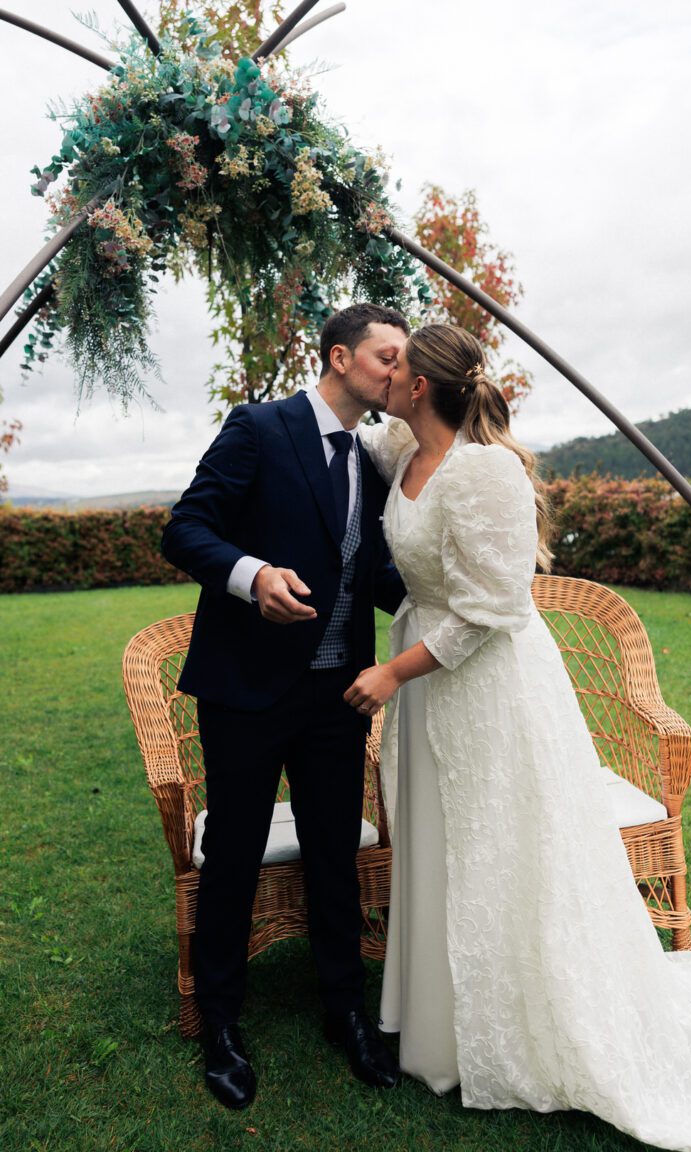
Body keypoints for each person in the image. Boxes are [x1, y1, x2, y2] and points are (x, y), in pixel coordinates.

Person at [345, 323, 691, 1151]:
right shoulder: (401, 454)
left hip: (487, 687)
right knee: (438, 841)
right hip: (428, 684)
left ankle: (529, 1025)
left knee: (501, 844)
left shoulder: (486, 470)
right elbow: (344, 434)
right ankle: (441, 1021)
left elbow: (496, 608)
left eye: (397, 367)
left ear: (423, 386)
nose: (385, 378)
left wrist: (393, 675)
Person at [161, 303, 408, 1110]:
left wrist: (451, 600)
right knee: (230, 854)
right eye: (386, 357)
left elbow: (370, 572)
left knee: (334, 850)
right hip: (246, 692)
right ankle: (223, 1020)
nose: (398, 372)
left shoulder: (375, 459)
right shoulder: (258, 428)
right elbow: (186, 528)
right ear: (339, 357)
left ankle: (344, 1008)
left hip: (340, 694)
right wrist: (252, 575)